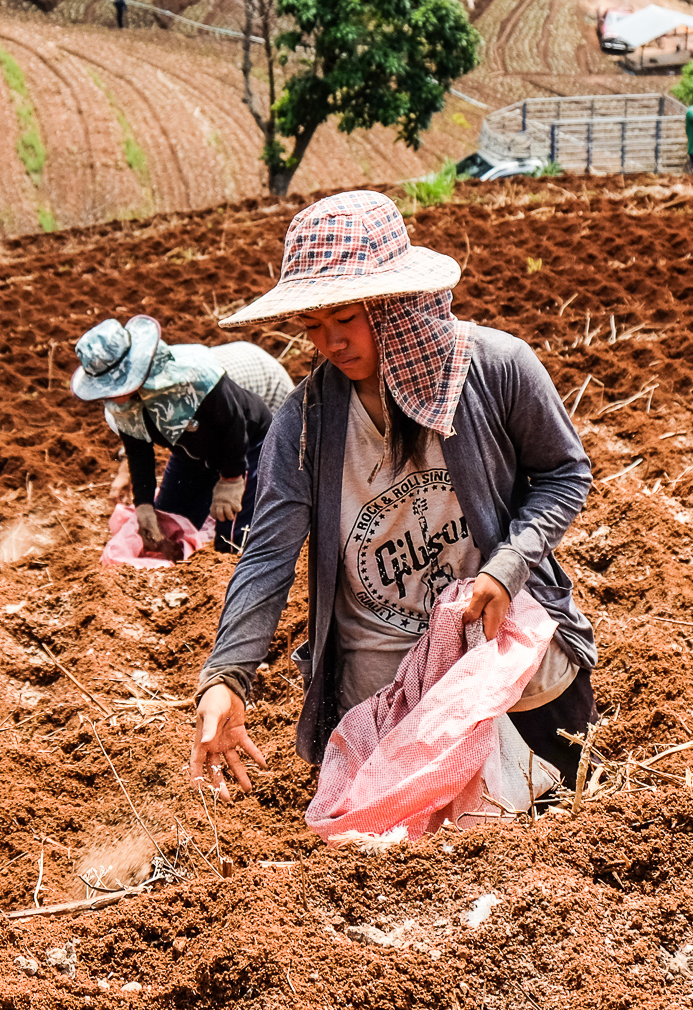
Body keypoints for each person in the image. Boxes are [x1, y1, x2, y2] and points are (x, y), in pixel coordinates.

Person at [186, 190, 597, 802]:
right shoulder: (305, 424)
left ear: (391, 305)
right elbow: (267, 557)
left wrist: (508, 567)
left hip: (506, 663)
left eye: (345, 319)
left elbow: (566, 474)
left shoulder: (496, 368)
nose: (329, 343)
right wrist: (226, 676)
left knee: (543, 822)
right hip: (383, 689)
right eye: (312, 326)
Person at [72, 317, 291, 555]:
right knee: (167, 528)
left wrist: (231, 479)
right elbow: (139, 451)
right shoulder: (122, 405)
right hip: (192, 451)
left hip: (245, 442)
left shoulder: (193, 376)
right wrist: (144, 504)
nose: (111, 395)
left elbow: (234, 423)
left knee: (232, 542)